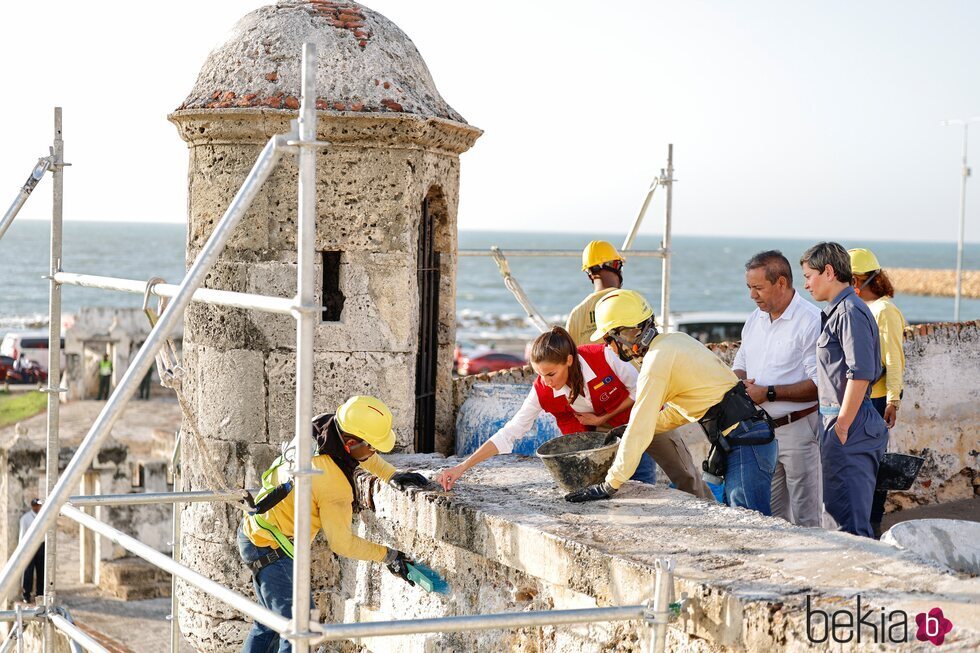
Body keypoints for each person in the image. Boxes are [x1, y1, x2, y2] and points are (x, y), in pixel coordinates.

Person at [238, 396, 429, 653]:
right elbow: (342, 543)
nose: (376, 453)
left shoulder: (323, 426)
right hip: (272, 548)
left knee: (269, 625)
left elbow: (359, 455)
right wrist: (390, 555)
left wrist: (391, 474)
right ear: (350, 443)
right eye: (373, 447)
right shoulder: (333, 484)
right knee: (303, 630)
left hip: (256, 531)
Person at [565, 290, 778, 516]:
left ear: (625, 334)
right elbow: (682, 411)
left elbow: (640, 429)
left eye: (609, 339)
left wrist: (610, 484)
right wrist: (628, 429)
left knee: (749, 523)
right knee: (743, 521)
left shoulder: (656, 362)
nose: (608, 347)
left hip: (745, 444)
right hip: (748, 438)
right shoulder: (674, 342)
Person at [565, 241, 712, 500]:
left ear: (589, 274)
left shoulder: (576, 316)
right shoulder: (630, 301)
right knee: (685, 475)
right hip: (648, 404)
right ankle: (712, 519)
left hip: (606, 419)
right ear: (617, 266)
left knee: (620, 489)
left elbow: (574, 372)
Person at [435, 326, 657, 491]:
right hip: (593, 444)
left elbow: (641, 390)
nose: (547, 382)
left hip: (635, 426)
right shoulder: (542, 389)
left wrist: (602, 419)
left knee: (649, 483)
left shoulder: (603, 356)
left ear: (569, 360)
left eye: (551, 374)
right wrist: (461, 468)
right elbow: (510, 432)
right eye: (540, 374)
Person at [800, 242, 889, 538]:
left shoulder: (849, 311)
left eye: (809, 275)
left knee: (850, 525)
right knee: (836, 519)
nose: (806, 283)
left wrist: (841, 427)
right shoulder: (838, 311)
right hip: (838, 422)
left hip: (849, 424)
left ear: (828, 272)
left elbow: (860, 373)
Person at [733, 251, 823, 527]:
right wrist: (738, 382)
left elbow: (820, 385)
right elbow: (741, 364)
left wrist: (768, 393)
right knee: (768, 517)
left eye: (758, 288)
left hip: (798, 431)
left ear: (781, 283)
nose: (752, 295)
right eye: (749, 287)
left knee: (807, 517)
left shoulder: (811, 320)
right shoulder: (754, 320)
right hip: (761, 432)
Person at [849, 247, 907, 538]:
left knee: (873, 465)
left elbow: (894, 357)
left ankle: (872, 525)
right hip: (862, 395)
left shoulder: (884, 310)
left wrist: (893, 399)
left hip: (876, 397)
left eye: (853, 279)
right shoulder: (865, 308)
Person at [20, 498, 44, 602]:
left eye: (40, 505)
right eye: (37, 505)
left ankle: (40, 594)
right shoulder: (25, 518)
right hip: (29, 546)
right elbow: (22, 534)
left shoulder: (43, 516)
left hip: (41, 545)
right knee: (28, 571)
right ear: (33, 506)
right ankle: (26, 595)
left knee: (41, 571)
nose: (39, 507)